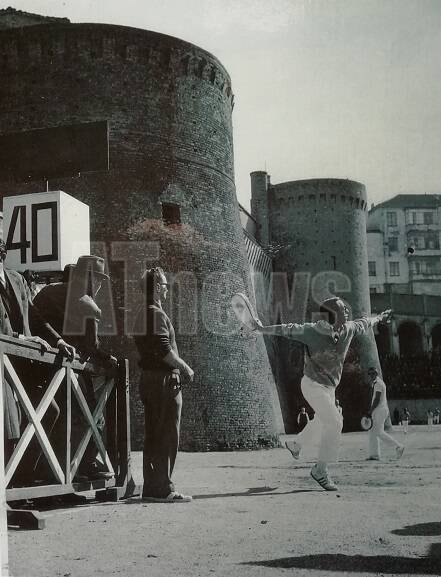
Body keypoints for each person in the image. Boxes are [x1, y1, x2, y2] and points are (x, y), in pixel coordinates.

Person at [253, 296, 392, 491]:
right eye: (342, 309)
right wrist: (260, 329)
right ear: (331, 315)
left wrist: (379, 318)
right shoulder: (311, 331)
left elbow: (365, 322)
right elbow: (285, 329)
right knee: (335, 422)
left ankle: (296, 443)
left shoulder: (349, 328)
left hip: (329, 388)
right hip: (311, 384)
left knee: (323, 420)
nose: (346, 312)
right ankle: (320, 470)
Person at [32, 255, 117, 480]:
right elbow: (92, 345)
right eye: (97, 279)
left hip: (36, 370)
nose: (99, 285)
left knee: (53, 417)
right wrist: (107, 357)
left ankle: (48, 469)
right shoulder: (88, 304)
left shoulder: (47, 292)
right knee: (90, 414)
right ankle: (77, 467)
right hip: (68, 372)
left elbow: (34, 321)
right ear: (88, 279)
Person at [0, 238, 75, 466]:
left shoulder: (17, 279)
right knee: (9, 423)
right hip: (3, 364)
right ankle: (10, 483)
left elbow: (35, 317)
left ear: (2, 256)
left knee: (49, 411)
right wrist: (21, 338)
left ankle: (24, 475)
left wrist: (58, 340)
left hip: (22, 366)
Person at [133, 267, 194, 502]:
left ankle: (152, 487)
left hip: (150, 379)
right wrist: (186, 367)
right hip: (163, 380)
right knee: (167, 434)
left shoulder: (142, 313)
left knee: (154, 434)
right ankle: (163, 488)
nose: (167, 289)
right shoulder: (156, 314)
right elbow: (162, 349)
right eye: (165, 285)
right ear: (157, 287)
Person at [366, 367, 404, 461]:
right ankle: (374, 455)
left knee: (378, 432)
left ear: (377, 373)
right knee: (372, 432)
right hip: (379, 410)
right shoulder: (376, 383)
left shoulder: (378, 384)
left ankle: (398, 446)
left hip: (379, 410)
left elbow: (377, 399)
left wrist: (370, 411)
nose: (371, 375)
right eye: (369, 374)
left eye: (373, 373)